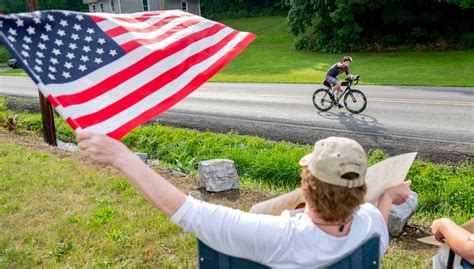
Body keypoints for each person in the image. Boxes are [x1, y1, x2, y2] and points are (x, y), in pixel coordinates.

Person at [77, 133, 411, 267]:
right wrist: (390, 198)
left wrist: (122, 157)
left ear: (305, 184)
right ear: (360, 190)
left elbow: (185, 210)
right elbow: (379, 225)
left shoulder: (276, 236)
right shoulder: (368, 226)